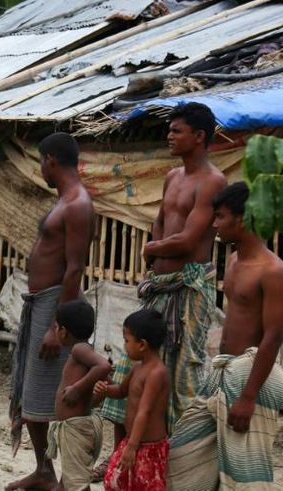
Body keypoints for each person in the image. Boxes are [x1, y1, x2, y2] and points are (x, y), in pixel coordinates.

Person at [97, 102, 227, 480]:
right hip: (160, 287)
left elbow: (187, 240)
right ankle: (121, 452)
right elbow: (158, 222)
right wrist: (154, 249)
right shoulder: (173, 176)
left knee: (178, 377)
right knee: (131, 367)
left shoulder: (213, 181)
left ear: (199, 136)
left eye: (177, 131)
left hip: (187, 291)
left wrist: (152, 249)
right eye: (169, 130)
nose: (169, 136)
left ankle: (174, 461)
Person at [166, 182, 283, 490]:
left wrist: (248, 397)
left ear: (242, 219)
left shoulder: (272, 270)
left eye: (220, 217)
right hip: (222, 371)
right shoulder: (232, 261)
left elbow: (273, 336)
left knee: (245, 475)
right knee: (181, 453)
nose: (215, 224)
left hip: (252, 377)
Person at [7, 132, 94, 491]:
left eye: (41, 162)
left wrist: (57, 325)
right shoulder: (65, 201)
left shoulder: (78, 204)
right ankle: (43, 470)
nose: (40, 169)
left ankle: (62, 476)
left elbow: (74, 268)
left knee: (48, 393)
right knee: (32, 392)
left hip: (55, 306)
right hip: (41, 304)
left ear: (51, 160)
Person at [94, 309, 170, 490]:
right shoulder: (137, 368)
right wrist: (105, 389)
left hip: (147, 446)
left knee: (142, 484)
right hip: (132, 441)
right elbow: (121, 391)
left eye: (127, 341)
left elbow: (145, 410)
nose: (124, 345)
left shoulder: (156, 373)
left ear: (142, 344)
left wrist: (132, 446)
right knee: (115, 481)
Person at [46, 300, 110, 491]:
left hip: (77, 430)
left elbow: (104, 366)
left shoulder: (79, 349)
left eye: (56, 327)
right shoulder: (82, 352)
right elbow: (104, 377)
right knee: (68, 482)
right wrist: (92, 395)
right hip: (76, 427)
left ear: (63, 331)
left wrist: (77, 388)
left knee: (77, 484)